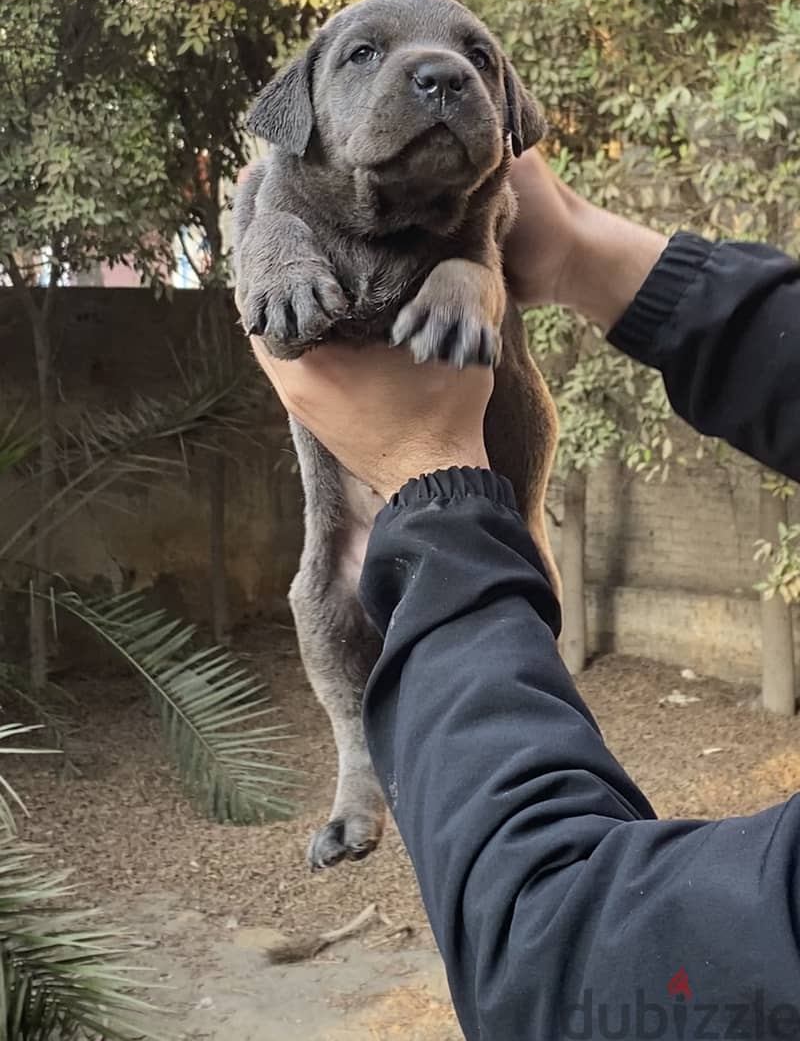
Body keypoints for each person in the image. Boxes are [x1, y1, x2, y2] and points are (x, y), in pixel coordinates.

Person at [249, 150, 800, 1040]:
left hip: (448, 489)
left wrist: (424, 475)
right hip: (380, 521)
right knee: (322, 604)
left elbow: (564, 961)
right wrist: (585, 249)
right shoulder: (288, 180)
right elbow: (265, 219)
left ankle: (363, 768)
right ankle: (358, 762)